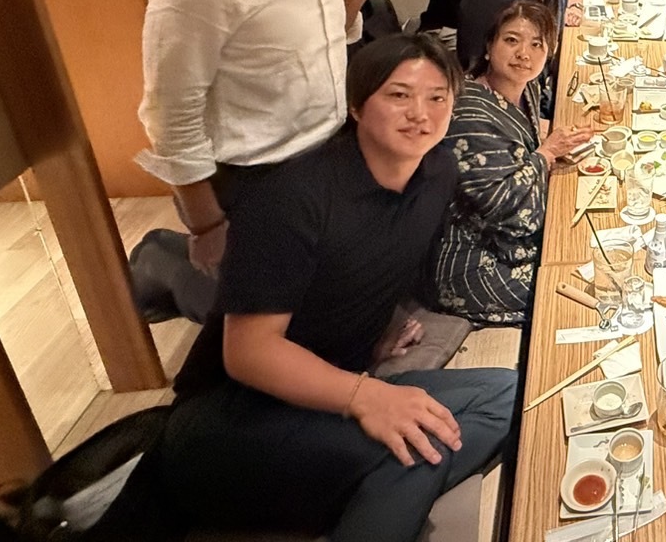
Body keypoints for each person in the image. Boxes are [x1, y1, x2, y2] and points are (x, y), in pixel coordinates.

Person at [99, 35, 518, 542]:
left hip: (335, 382)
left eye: (437, 97)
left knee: (512, 393)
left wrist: (380, 326)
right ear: (356, 107)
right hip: (231, 419)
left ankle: (362, 491)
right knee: (410, 452)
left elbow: (372, 260)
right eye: (399, 95)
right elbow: (248, 354)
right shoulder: (292, 197)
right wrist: (366, 396)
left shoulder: (436, 173)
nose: (420, 114)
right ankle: (374, 491)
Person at [131, 0, 397, 323]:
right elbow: (169, 112)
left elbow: (323, 40)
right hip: (251, 179)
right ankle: (163, 261)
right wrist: (206, 225)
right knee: (264, 322)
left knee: (324, 299)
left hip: (323, 152)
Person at [435, 1, 596, 324]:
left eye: (537, 44)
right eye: (511, 40)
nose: (524, 53)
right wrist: (546, 154)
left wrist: (549, 149)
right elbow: (507, 212)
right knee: (577, 295)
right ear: (488, 46)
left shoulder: (526, 88)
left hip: (511, 238)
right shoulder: (470, 113)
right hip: (478, 256)